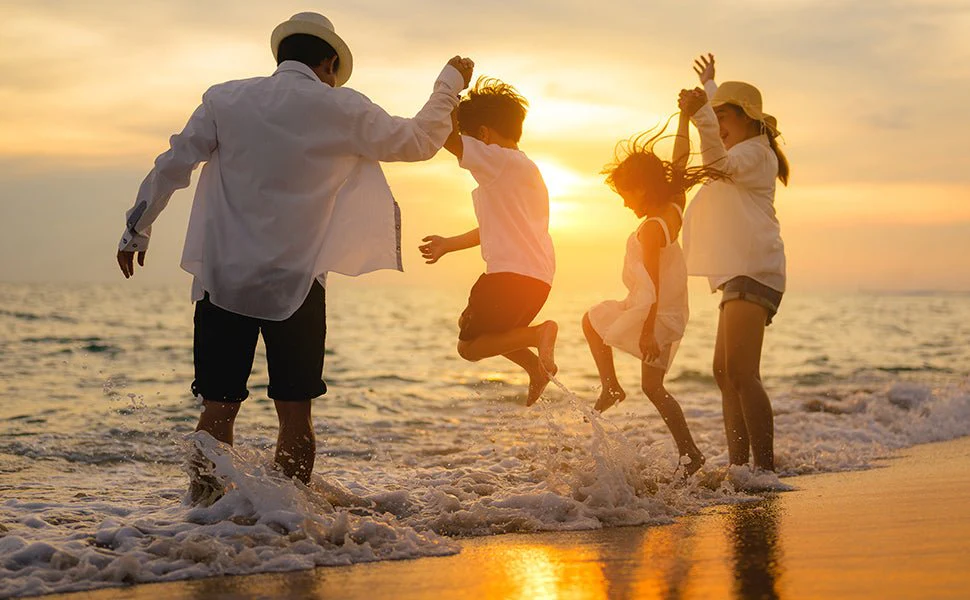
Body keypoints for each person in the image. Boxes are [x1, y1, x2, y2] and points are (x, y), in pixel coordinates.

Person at [114, 11, 474, 501]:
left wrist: (137, 229)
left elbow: (173, 164)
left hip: (225, 278)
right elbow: (416, 141)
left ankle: (200, 519)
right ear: (327, 63)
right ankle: (288, 525)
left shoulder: (225, 98)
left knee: (218, 410)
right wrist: (448, 84)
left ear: (281, 55)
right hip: (298, 283)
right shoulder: (342, 108)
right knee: (296, 414)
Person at [583, 107, 725, 476]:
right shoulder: (673, 206)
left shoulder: (650, 228)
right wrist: (683, 119)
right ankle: (690, 453)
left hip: (652, 311)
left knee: (590, 320)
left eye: (626, 195)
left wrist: (646, 330)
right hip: (671, 314)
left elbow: (653, 282)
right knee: (654, 388)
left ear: (642, 188)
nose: (625, 202)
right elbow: (679, 163)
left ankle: (611, 387)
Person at [679, 53, 790, 472]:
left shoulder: (755, 155)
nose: (717, 125)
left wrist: (703, 116)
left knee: (742, 372)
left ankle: (763, 471)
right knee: (725, 372)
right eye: (715, 117)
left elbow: (718, 164)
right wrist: (710, 89)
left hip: (755, 268)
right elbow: (722, 138)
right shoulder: (748, 147)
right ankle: (739, 468)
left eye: (724, 117)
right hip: (741, 270)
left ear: (748, 119)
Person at [418, 77, 557, 406]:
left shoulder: (499, 161)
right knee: (488, 334)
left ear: (483, 135)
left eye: (472, 138)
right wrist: (448, 244)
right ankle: (536, 368)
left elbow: (448, 139)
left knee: (469, 347)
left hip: (510, 276)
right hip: (537, 279)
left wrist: (449, 93)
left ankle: (541, 334)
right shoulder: (524, 170)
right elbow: (491, 228)